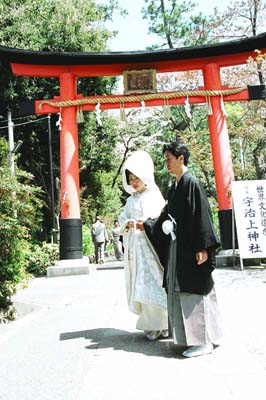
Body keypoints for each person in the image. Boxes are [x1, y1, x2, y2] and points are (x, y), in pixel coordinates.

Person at [137, 141, 223, 357]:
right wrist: (148, 224)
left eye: (169, 158)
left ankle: (203, 340)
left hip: (193, 246)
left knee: (195, 288)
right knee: (180, 286)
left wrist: (204, 247)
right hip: (179, 246)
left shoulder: (191, 182)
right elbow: (167, 213)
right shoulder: (175, 186)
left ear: (181, 159)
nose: (166, 162)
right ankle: (194, 337)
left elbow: (202, 214)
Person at [119, 150, 168, 341]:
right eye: (130, 178)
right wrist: (128, 223)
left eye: (136, 177)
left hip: (151, 248)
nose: (133, 181)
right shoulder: (130, 200)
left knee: (155, 282)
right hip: (135, 250)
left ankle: (164, 324)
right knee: (140, 285)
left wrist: (143, 223)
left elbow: (159, 218)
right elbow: (122, 218)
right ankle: (151, 325)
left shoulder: (154, 194)